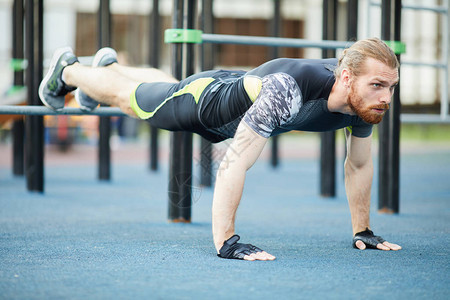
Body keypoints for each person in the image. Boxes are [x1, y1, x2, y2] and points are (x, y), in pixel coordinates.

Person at [39, 37, 402, 261]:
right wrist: (226, 241)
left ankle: (109, 69)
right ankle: (68, 72)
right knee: (133, 101)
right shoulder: (288, 90)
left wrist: (363, 231)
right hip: (204, 104)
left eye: (391, 87)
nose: (385, 98)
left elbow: (357, 165)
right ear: (346, 77)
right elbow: (234, 162)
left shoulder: (362, 105)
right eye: (377, 85)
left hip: (233, 95)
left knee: (164, 86)